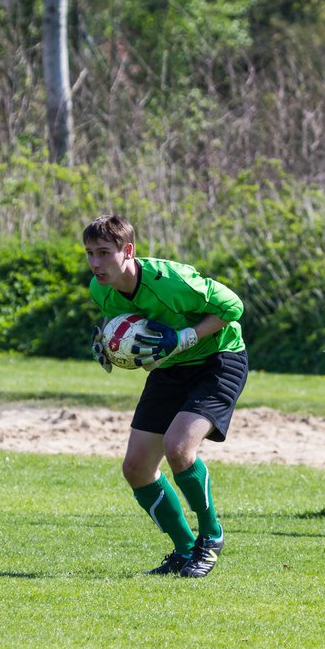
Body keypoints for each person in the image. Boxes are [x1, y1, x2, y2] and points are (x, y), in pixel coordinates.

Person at [84, 214, 249, 578]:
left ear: (127, 251)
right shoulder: (102, 290)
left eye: (104, 253)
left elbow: (233, 306)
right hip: (170, 369)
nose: (95, 263)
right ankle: (185, 550)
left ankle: (211, 536)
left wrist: (186, 336)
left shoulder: (172, 281)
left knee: (179, 447)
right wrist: (111, 348)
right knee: (137, 468)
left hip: (217, 359)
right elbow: (133, 332)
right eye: (90, 254)